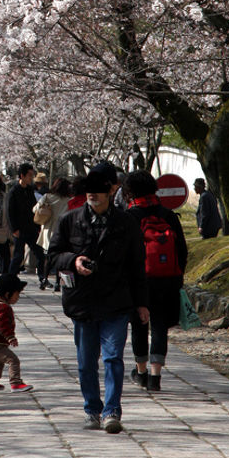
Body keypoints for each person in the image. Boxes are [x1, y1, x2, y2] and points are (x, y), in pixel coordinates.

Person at [48, 166, 149, 434]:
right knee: (85, 362)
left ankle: (112, 410)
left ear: (111, 191)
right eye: (88, 190)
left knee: (114, 357)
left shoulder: (126, 223)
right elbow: (53, 256)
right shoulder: (70, 220)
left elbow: (138, 264)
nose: (92, 195)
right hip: (82, 301)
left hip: (116, 301)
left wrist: (141, 303)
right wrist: (73, 260)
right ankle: (92, 408)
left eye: (98, 191)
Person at [125, 171, 188, 392]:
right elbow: (182, 250)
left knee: (139, 326)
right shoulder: (168, 215)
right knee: (160, 326)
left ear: (130, 192)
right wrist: (177, 277)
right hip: (168, 281)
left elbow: (125, 254)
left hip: (140, 281)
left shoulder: (130, 216)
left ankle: (141, 373)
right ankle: (156, 377)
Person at [7, 163, 46, 290]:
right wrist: (14, 229)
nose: (31, 178)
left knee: (40, 254)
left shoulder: (30, 190)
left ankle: (42, 278)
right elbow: (10, 212)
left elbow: (33, 208)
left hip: (31, 228)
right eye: (29, 175)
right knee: (18, 256)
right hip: (19, 229)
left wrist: (37, 225)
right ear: (22, 176)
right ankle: (10, 280)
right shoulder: (13, 191)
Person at [33, 177, 71, 290]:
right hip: (62, 231)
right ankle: (58, 282)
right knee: (59, 256)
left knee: (48, 257)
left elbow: (35, 209)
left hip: (48, 230)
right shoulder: (68, 200)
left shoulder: (47, 197)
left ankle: (44, 279)